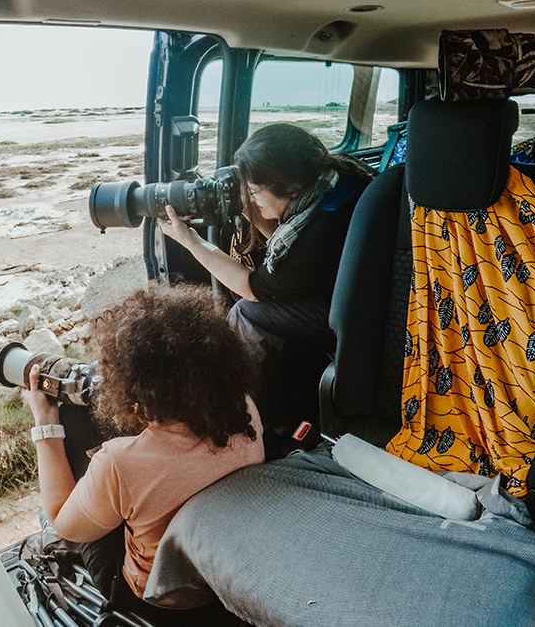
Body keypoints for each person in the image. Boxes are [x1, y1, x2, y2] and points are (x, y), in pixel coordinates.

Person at [21, 284, 264, 623]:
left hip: (159, 599)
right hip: (228, 577)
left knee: (74, 421)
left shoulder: (119, 462)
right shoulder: (245, 410)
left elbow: (66, 525)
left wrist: (45, 423)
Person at [156, 123, 373, 443]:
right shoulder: (337, 183)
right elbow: (289, 269)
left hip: (353, 321)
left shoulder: (317, 232)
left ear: (288, 185)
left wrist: (190, 241)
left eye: (255, 192)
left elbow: (255, 288)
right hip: (362, 299)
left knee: (246, 313)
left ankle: (236, 421)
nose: (252, 201)